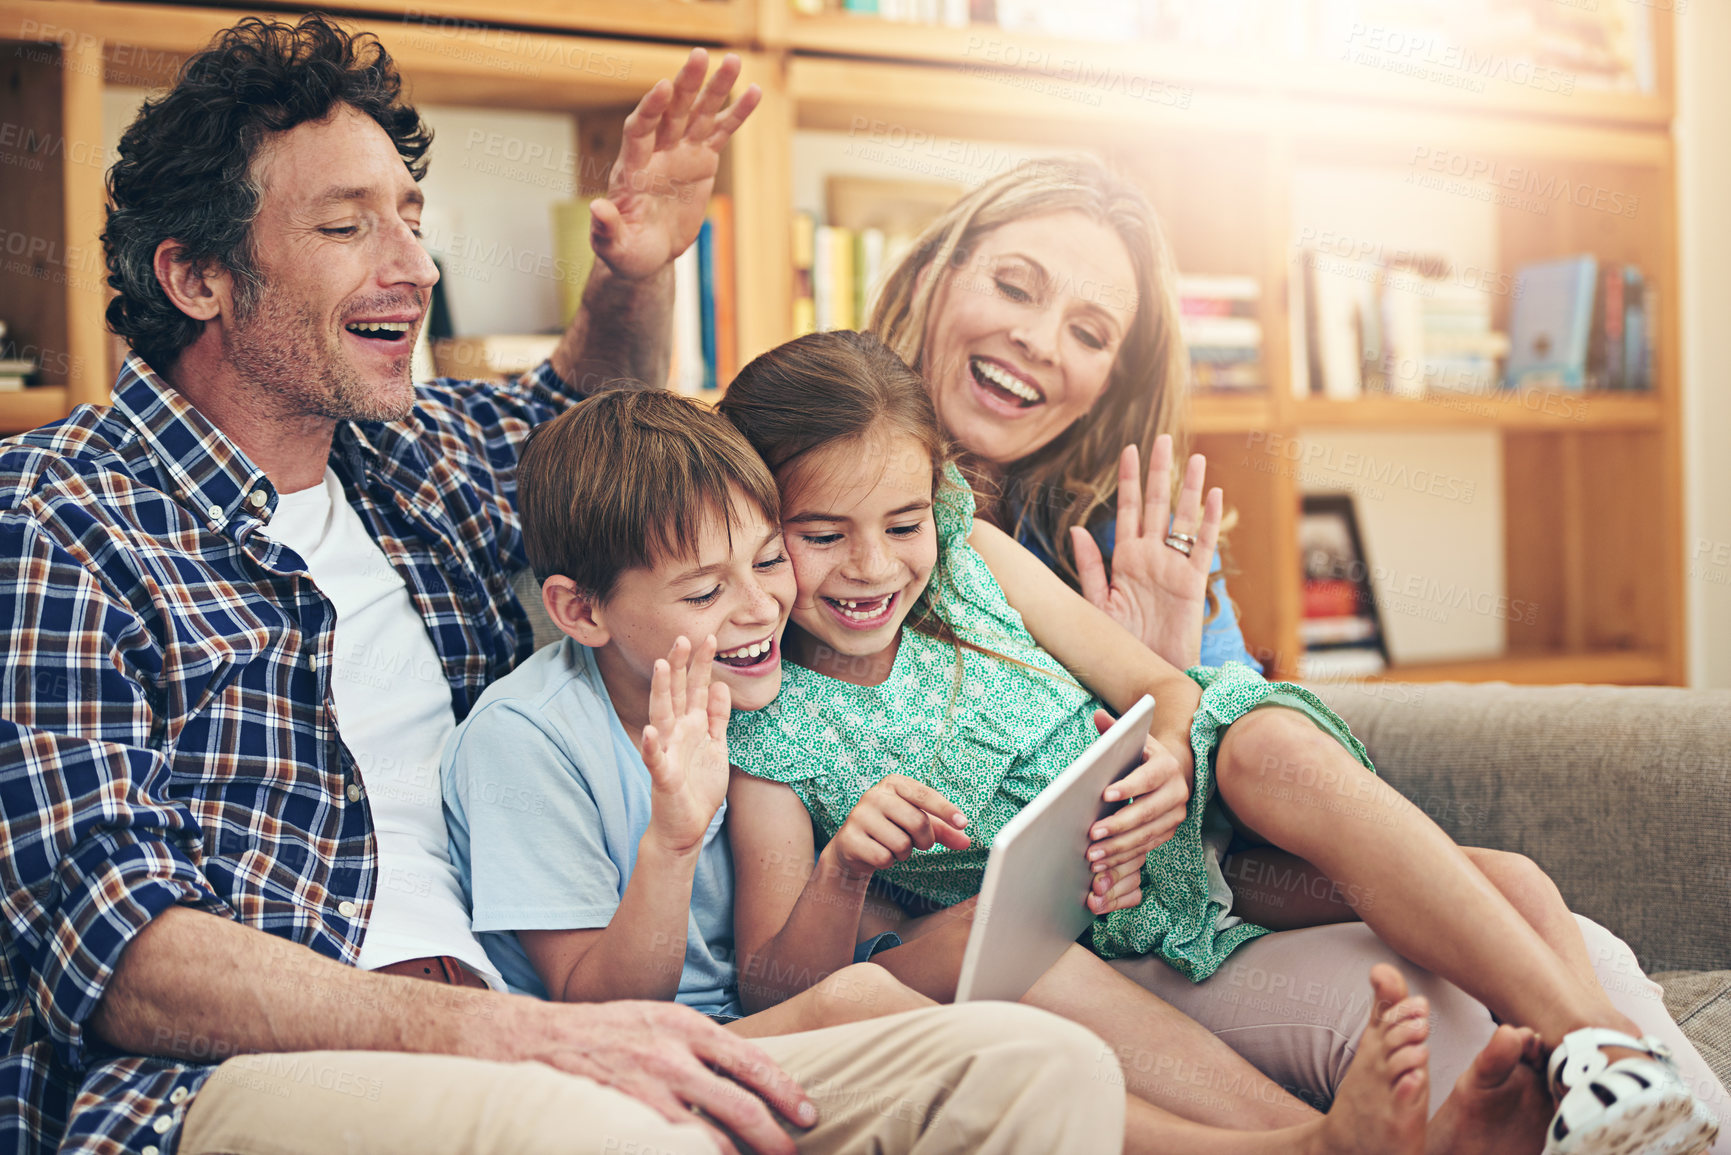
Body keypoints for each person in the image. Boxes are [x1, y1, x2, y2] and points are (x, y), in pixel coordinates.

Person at [0, 17, 1129, 1155]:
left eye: (410, 219)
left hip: (535, 1027)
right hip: (253, 1071)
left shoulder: (411, 457)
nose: (415, 267)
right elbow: (119, 952)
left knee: (1032, 1072)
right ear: (196, 277)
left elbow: (592, 424)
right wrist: (505, 1038)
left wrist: (633, 271)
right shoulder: (53, 519)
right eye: (347, 226)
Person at [714, 328, 1721, 1155]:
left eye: (900, 524)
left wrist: (1172, 756)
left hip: (1210, 832)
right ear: (755, 522)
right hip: (1101, 926)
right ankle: (1395, 1132)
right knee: (1510, 891)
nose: (872, 567)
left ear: (933, 501)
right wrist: (847, 867)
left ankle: (1607, 1054)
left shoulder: (972, 558)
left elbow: (1155, 683)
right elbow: (774, 986)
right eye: (822, 534)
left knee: (1346, 788)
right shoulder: (774, 723)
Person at [441, 388, 937, 1036]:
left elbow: (780, 972)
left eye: (768, 560)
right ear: (582, 611)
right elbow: (600, 1013)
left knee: (977, 937)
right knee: (862, 999)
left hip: (751, 1015)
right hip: (637, 1048)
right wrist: (672, 842)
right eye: (704, 591)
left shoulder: (747, 684)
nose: (761, 606)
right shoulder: (525, 739)